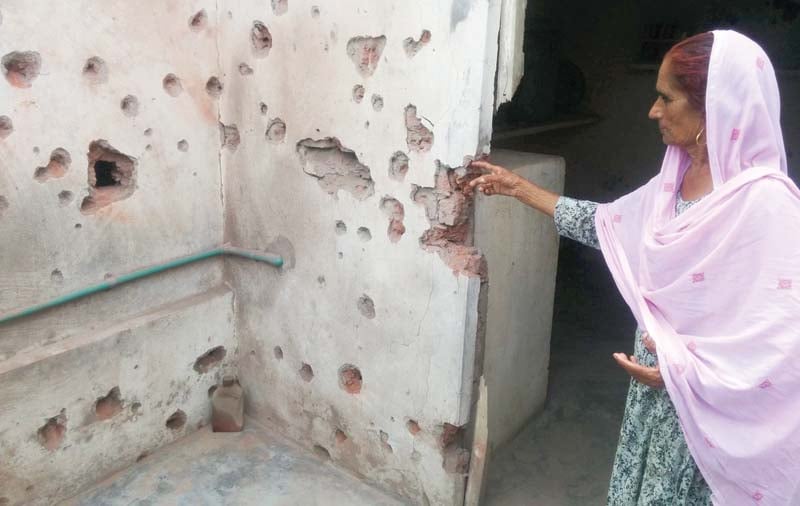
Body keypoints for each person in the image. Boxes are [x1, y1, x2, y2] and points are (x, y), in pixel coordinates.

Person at [467, 31, 800, 505]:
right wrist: (517, 188)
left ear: (712, 107)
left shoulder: (767, 203)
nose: (653, 111)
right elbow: (607, 224)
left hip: (712, 418)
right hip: (653, 401)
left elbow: (785, 340)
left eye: (666, 98)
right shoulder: (675, 177)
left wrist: (684, 372)